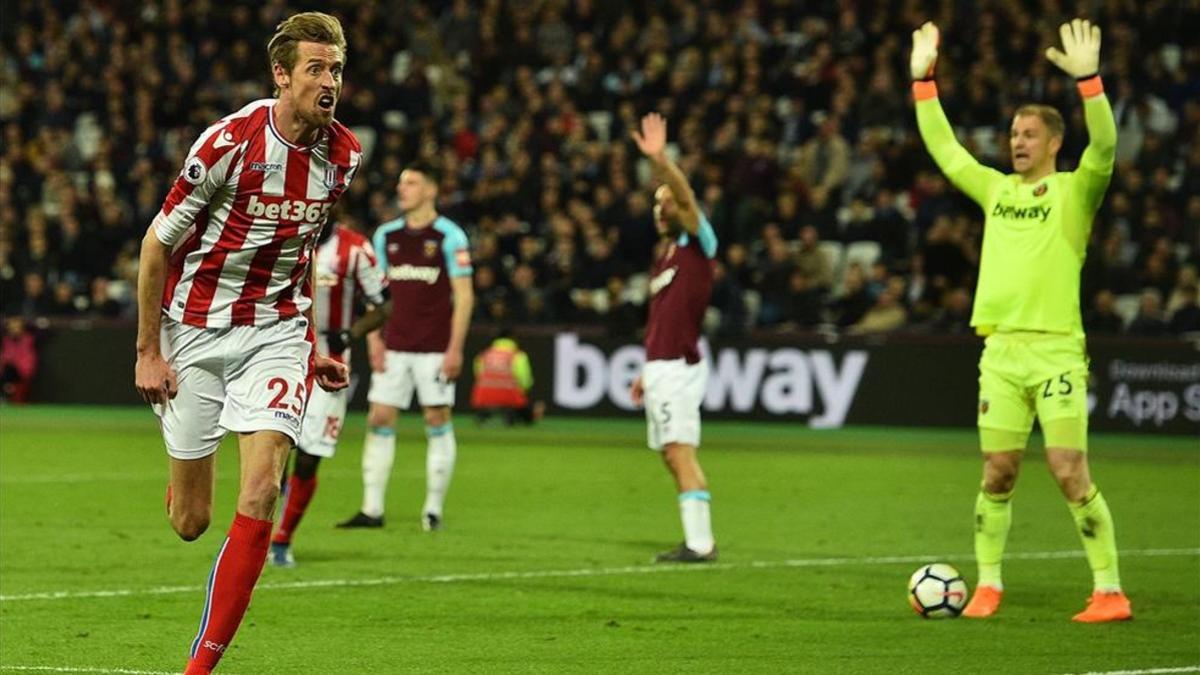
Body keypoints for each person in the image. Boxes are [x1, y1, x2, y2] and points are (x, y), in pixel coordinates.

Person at [132, 13, 360, 673]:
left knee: (261, 488)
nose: (329, 83)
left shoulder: (343, 155)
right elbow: (155, 245)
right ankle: (183, 480)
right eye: (316, 68)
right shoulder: (227, 143)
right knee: (193, 521)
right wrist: (150, 349)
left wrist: (312, 340)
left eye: (337, 70)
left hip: (277, 332)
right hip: (194, 329)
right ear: (281, 75)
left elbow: (303, 247)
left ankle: (199, 668)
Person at [911, 19, 1130, 621]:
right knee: (998, 472)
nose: (1017, 142)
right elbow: (946, 150)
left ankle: (1109, 591)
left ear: (1055, 142)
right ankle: (988, 586)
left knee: (1068, 470)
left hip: (1057, 349)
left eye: (1029, 134)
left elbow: (1106, 147)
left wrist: (1090, 82)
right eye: (1013, 133)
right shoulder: (995, 190)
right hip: (1001, 354)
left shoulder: (1074, 191)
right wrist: (922, 81)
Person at [339, 160, 474, 532]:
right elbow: (374, 295)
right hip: (394, 345)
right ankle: (372, 509)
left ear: (431, 190)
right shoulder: (386, 236)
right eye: (402, 183)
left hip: (434, 347)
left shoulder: (450, 236)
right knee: (380, 418)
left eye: (411, 183)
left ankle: (432, 510)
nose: (403, 189)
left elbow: (464, 297)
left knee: (436, 418)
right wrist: (373, 341)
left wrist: (455, 348)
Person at [269, 220, 389, 567]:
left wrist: (351, 335)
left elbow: (384, 305)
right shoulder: (278, 233)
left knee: (308, 457)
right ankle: (259, 533)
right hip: (279, 360)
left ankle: (282, 538)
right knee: (273, 453)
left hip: (330, 370)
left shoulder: (355, 249)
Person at [628, 112, 719, 563]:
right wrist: (646, 371)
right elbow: (660, 321)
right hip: (661, 367)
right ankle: (698, 539)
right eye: (656, 202)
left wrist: (663, 162)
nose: (661, 207)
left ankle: (700, 544)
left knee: (679, 450)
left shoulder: (700, 247)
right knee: (670, 453)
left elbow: (686, 198)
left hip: (680, 368)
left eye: (667, 201)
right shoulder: (663, 261)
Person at [470, 328, 539, 425]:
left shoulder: (484, 355)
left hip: (483, 398)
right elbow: (525, 381)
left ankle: (484, 416)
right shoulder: (517, 355)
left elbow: (478, 376)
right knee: (527, 413)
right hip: (511, 399)